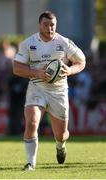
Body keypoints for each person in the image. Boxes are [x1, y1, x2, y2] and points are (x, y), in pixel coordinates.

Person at [13, 11, 86, 171]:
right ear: (40, 25)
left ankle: (60, 146)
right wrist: (37, 73)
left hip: (58, 91)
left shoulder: (64, 43)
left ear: (56, 25)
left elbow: (82, 62)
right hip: (37, 87)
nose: (49, 28)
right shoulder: (28, 43)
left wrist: (70, 70)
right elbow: (17, 67)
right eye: (46, 25)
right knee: (31, 123)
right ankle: (31, 164)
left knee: (61, 134)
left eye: (52, 25)